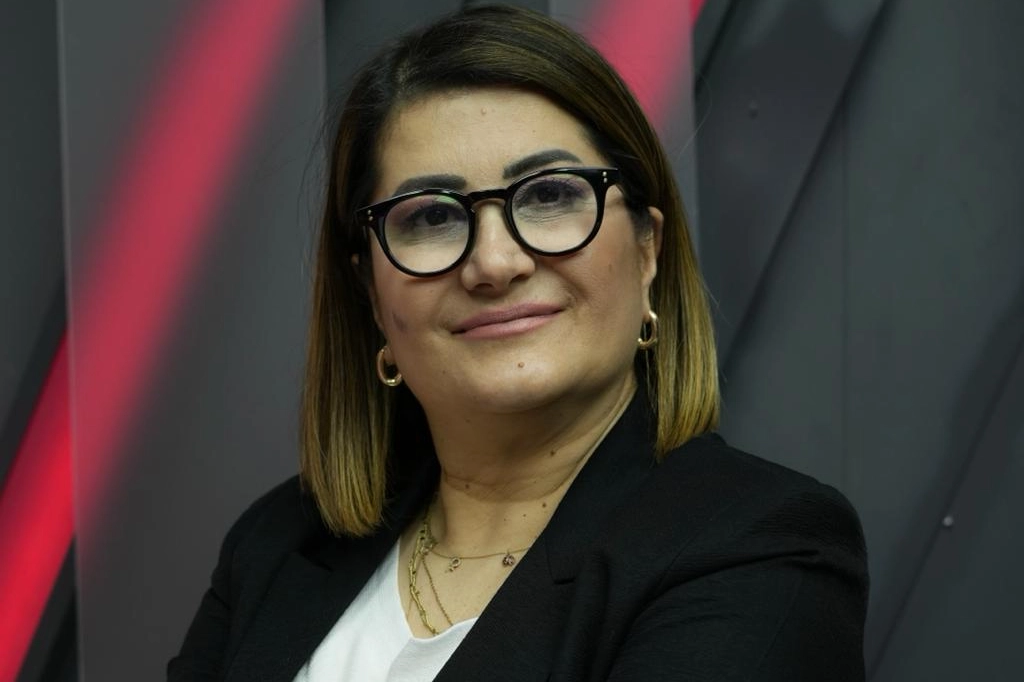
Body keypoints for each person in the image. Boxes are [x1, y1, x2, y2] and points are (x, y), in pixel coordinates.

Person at [168, 5, 868, 681]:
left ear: (647, 249)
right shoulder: (278, 543)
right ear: (371, 293)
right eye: (432, 217)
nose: (495, 263)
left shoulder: (759, 543)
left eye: (550, 196)